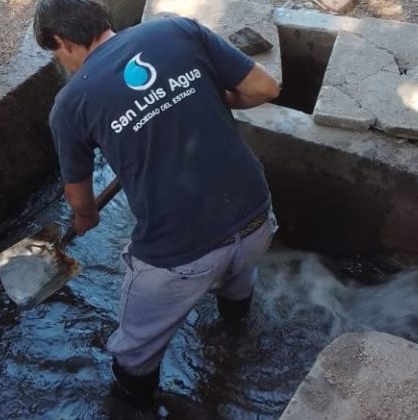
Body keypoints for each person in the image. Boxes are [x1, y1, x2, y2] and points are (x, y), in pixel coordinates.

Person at [33, 0, 280, 411]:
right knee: (238, 270)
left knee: (133, 351)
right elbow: (265, 88)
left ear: (61, 41)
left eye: (55, 52)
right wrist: (206, 97)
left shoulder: (70, 104)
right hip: (258, 217)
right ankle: (235, 333)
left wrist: (85, 219)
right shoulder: (176, 30)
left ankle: (134, 403)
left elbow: (79, 198)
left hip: (181, 257)